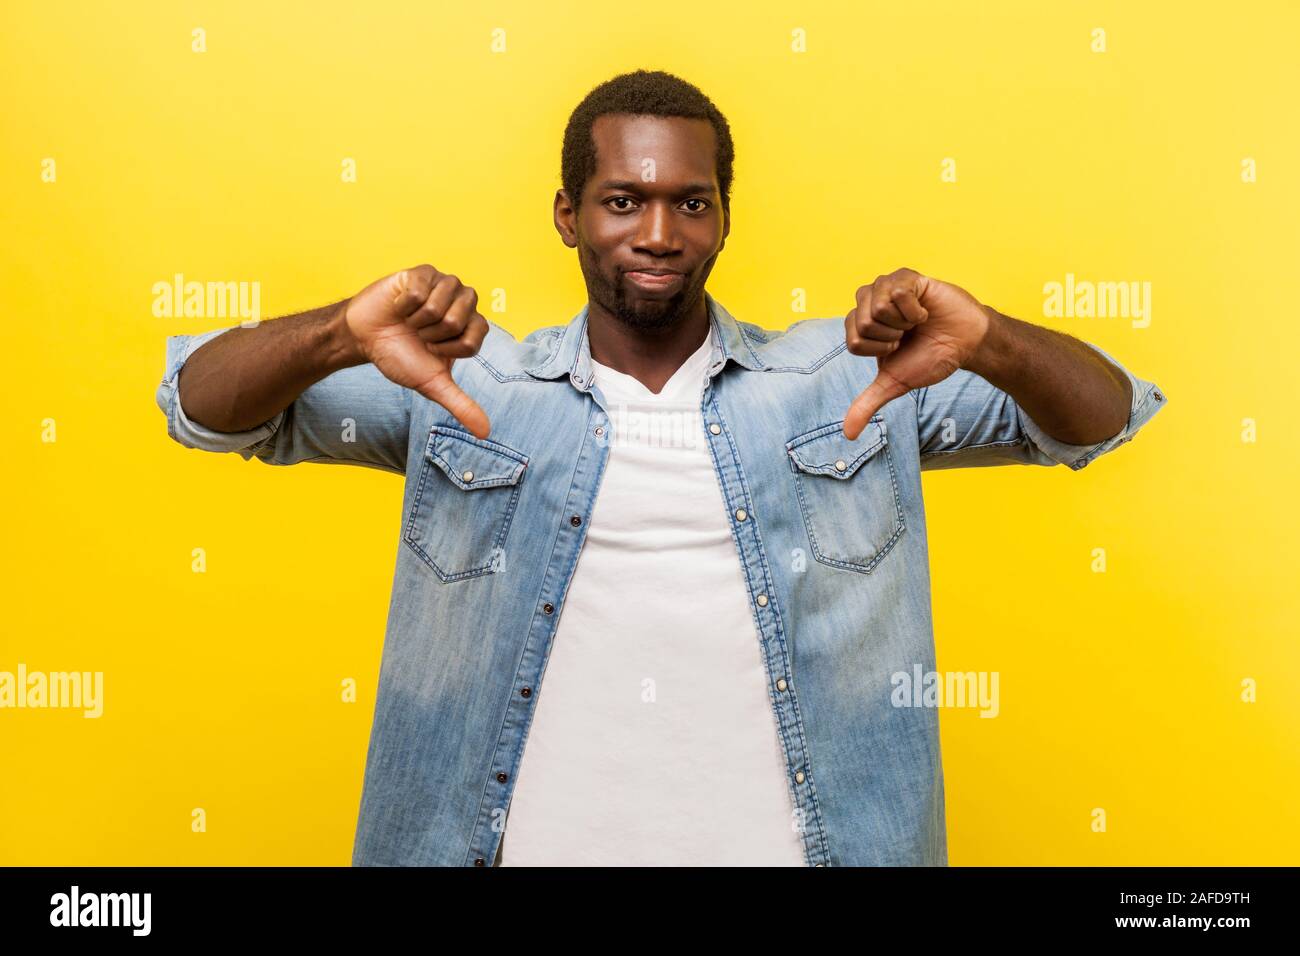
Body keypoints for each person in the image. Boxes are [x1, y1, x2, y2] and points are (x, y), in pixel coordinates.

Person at [154, 69, 1167, 867]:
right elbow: (198, 409)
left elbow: (1103, 417)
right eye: (622, 199)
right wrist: (337, 331)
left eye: (690, 203)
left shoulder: (846, 383)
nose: (656, 233)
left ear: (725, 214)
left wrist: (986, 337)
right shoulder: (469, 388)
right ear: (566, 212)